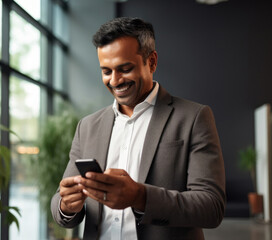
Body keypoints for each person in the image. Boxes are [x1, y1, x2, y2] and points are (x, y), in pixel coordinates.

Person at [51, 17, 225, 240]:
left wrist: (140, 197)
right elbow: (59, 204)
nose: (115, 81)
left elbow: (211, 207)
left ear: (151, 62)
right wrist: (67, 204)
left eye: (124, 68)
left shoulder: (194, 117)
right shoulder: (87, 127)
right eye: (106, 71)